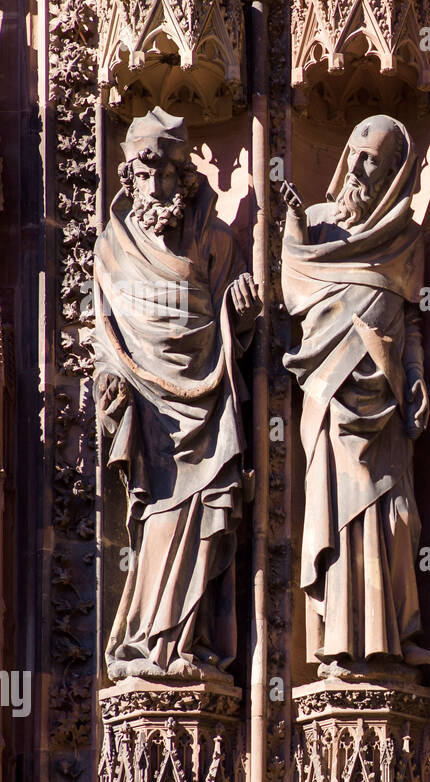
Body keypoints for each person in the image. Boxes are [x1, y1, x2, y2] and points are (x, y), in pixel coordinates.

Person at [93, 107, 260, 683]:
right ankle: (150, 641)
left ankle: (194, 641)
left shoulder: (216, 242)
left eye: (167, 174)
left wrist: (239, 314)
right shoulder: (112, 249)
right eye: (145, 175)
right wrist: (109, 380)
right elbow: (107, 335)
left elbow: (232, 325)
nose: (157, 186)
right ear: (130, 180)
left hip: (208, 408)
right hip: (150, 414)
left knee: (209, 520)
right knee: (159, 523)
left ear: (185, 178)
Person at [279, 115, 430, 679]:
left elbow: (410, 317)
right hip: (330, 393)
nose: (362, 167)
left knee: (396, 517)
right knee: (337, 511)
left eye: (377, 160)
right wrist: (294, 227)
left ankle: (395, 631)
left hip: (385, 390)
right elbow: (294, 290)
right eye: (357, 153)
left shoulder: (404, 238)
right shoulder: (317, 225)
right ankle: (338, 639)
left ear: (395, 173)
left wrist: (414, 375)